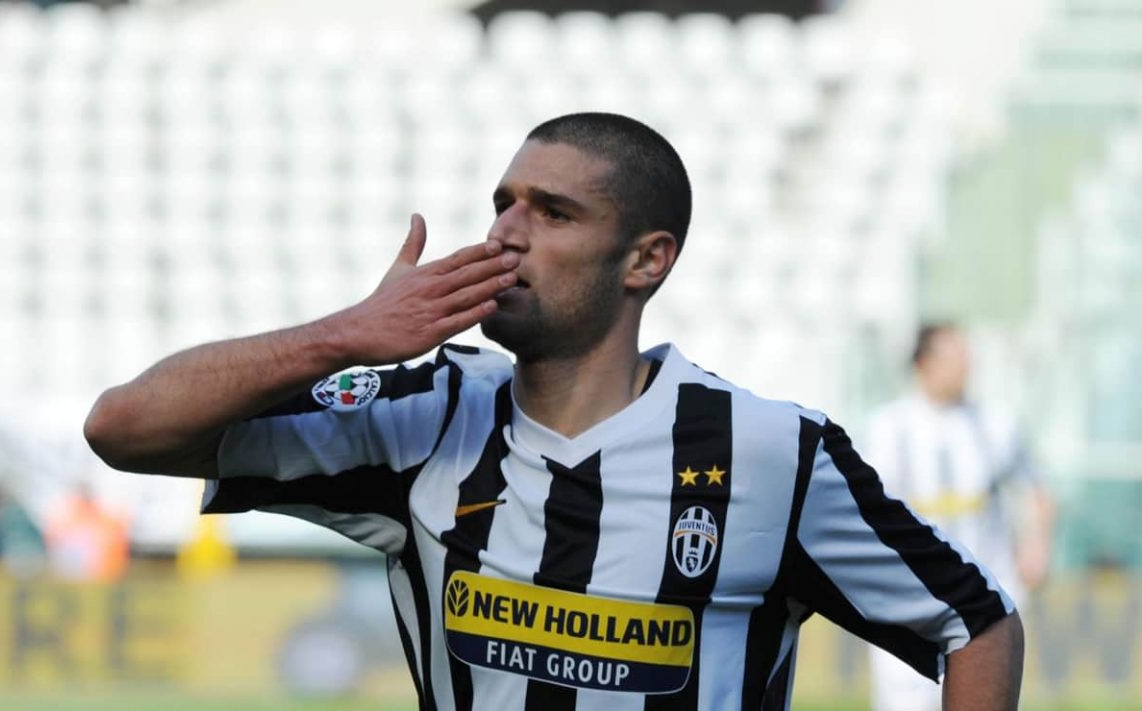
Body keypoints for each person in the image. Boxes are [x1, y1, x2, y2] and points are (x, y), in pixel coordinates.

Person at [85, 113, 1024, 710]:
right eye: (502, 204)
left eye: (552, 212)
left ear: (645, 261)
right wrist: (345, 334)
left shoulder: (771, 452)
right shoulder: (425, 412)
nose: (504, 231)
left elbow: (974, 624)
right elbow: (123, 426)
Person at [863, 323, 1054, 711]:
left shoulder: (997, 422)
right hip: (909, 603)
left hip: (988, 602)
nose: (966, 365)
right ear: (923, 363)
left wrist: (1037, 547)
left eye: (967, 355)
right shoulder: (889, 428)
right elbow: (869, 508)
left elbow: (1037, 490)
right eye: (954, 356)